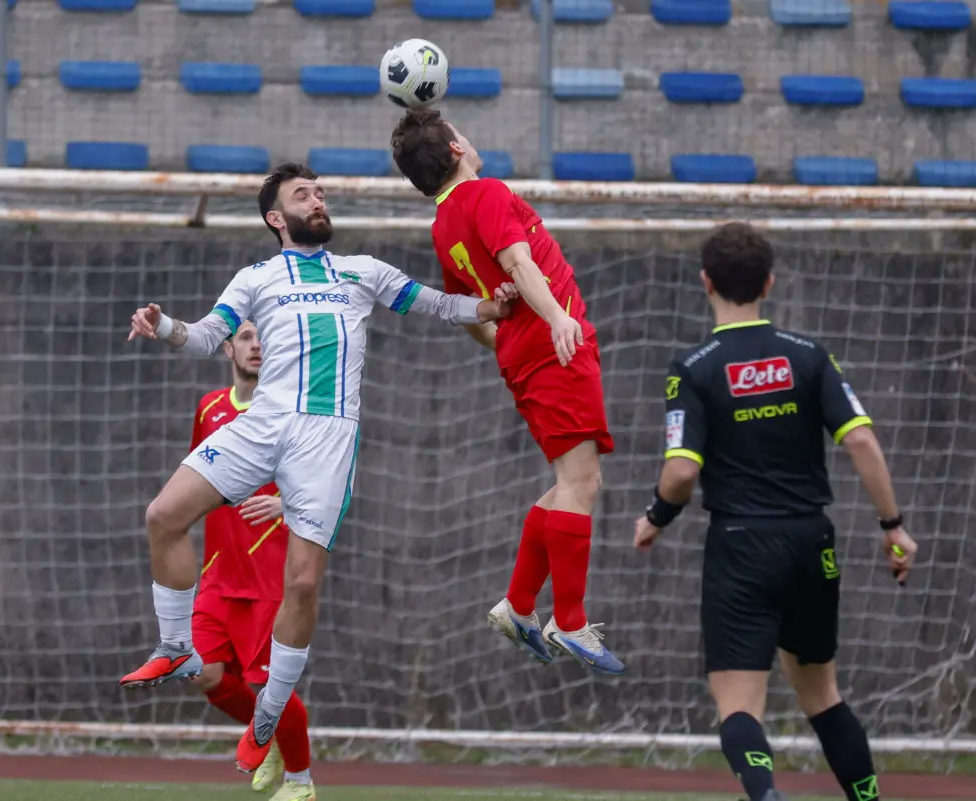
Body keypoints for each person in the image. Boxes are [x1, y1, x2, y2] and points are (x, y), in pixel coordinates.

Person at [121, 162, 518, 775]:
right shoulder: (256, 277)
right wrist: (163, 326)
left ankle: (269, 713)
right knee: (163, 515)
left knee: (303, 584)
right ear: (276, 217)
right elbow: (205, 337)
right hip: (264, 422)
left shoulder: (363, 271)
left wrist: (492, 306)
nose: (317, 200)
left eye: (320, 193)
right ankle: (175, 646)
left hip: (327, 436)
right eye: (303, 195)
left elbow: (439, 305)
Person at [632, 222, 918, 801]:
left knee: (739, 706)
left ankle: (766, 795)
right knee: (823, 697)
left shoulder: (694, 367)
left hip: (742, 546)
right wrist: (893, 526)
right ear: (769, 283)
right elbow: (862, 441)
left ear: (706, 282)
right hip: (811, 542)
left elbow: (681, 471)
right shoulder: (809, 355)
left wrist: (656, 517)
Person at [389, 107, 624, 674]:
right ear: (455, 149)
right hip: (554, 345)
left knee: (569, 482)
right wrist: (556, 318)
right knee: (582, 482)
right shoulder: (485, 193)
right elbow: (518, 262)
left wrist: (510, 340)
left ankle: (518, 607)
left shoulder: (444, 224)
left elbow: (469, 310)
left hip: (524, 352)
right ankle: (568, 621)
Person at [187, 320, 315, 801]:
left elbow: (327, 478)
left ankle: (300, 783)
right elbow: (194, 478)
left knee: (270, 687)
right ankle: (273, 735)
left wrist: (285, 504)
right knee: (203, 673)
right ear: (228, 349)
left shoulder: (295, 412)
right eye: (245, 337)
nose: (257, 345)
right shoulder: (209, 408)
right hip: (218, 574)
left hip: (269, 576)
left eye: (265, 337)